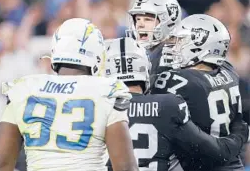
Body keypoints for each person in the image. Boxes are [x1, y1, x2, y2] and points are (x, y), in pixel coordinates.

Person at [0, 18, 138, 171]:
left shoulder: (23, 89)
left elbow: (0, 164)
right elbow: (125, 167)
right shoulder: (106, 91)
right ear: (97, 55)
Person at [105, 37, 249, 171]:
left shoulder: (99, 107)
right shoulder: (169, 105)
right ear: (144, 67)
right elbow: (217, 152)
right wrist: (239, 132)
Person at [152, 14, 247, 171]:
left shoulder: (177, 80)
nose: (174, 47)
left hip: (201, 163)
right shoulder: (229, 71)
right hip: (234, 165)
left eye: (181, 41)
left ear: (201, 44)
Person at [126, 0, 182, 85]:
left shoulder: (172, 56)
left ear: (169, 22)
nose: (140, 24)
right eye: (137, 19)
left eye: (148, 19)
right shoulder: (144, 53)